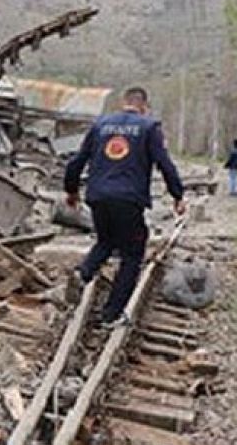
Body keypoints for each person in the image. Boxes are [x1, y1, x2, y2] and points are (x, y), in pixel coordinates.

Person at [64, 86, 186, 327]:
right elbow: (164, 163)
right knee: (132, 254)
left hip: (98, 196)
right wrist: (178, 195)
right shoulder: (149, 127)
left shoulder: (100, 125)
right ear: (144, 106)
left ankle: (83, 273)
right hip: (129, 199)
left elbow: (77, 161)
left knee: (105, 241)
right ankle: (111, 314)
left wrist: (71, 191)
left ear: (123, 102)